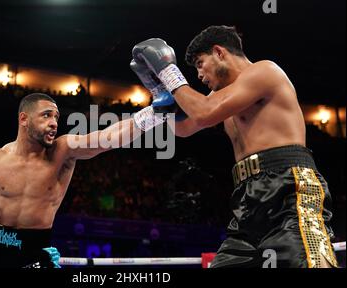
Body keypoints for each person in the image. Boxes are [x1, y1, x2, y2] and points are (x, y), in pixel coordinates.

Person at [130, 25, 338, 268]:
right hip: (247, 201)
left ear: (219, 52)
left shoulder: (264, 71)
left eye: (199, 63)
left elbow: (203, 114)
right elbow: (183, 129)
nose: (199, 75)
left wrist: (168, 71)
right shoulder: (220, 97)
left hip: (289, 190)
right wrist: (160, 92)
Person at [0, 92, 171, 268]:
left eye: (56, 117)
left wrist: (153, 114)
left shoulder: (63, 150)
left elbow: (108, 137)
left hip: (33, 251)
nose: (54, 123)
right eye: (46, 115)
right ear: (24, 119)